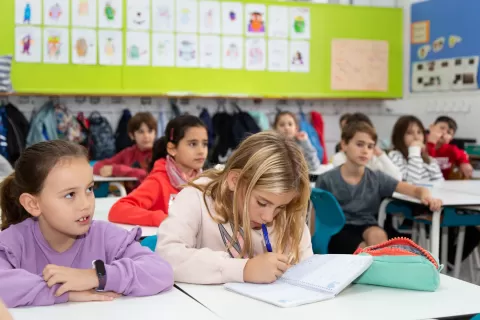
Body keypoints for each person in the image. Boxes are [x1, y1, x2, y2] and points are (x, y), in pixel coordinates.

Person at [0, 140, 173, 308]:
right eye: (70, 195)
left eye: (89, 189)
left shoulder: (104, 235)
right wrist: (62, 291)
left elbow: (161, 271)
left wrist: (96, 276)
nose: (86, 204)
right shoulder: (13, 241)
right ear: (33, 204)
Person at [156, 131, 313, 284]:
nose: (268, 217)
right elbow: (166, 256)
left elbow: (309, 275)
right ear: (235, 181)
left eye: (280, 207)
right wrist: (243, 270)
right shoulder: (197, 197)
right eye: (262, 203)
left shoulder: (289, 214)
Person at [316, 121, 442, 254]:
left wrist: (427, 197)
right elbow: (318, 217)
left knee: (378, 235)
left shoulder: (377, 177)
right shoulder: (327, 179)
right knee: (365, 251)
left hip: (367, 225)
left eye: (370, 147)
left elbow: (415, 190)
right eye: (359, 144)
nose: (365, 151)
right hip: (338, 229)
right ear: (344, 145)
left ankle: (380, 264)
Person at [108, 115, 208, 227]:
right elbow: (118, 210)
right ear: (172, 149)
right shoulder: (158, 180)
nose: (201, 151)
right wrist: (167, 219)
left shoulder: (204, 180)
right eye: (193, 144)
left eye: (204, 144)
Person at [332, 112, 401, 180]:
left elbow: (396, 178)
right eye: (359, 144)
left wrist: (381, 154)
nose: (365, 150)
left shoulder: (374, 159)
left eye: (370, 145)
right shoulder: (339, 158)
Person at [93, 112, 157, 183]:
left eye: (150, 131)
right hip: (130, 193)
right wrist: (104, 170)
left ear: (155, 133)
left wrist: (116, 170)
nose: (146, 136)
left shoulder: (160, 153)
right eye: (141, 132)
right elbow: (98, 166)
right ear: (132, 135)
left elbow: (149, 174)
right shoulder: (128, 153)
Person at [389, 115, 444, 183]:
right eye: (409, 133)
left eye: (419, 132)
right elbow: (411, 182)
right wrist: (414, 151)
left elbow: (440, 183)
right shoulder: (395, 156)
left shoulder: (429, 159)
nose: (416, 137)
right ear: (399, 137)